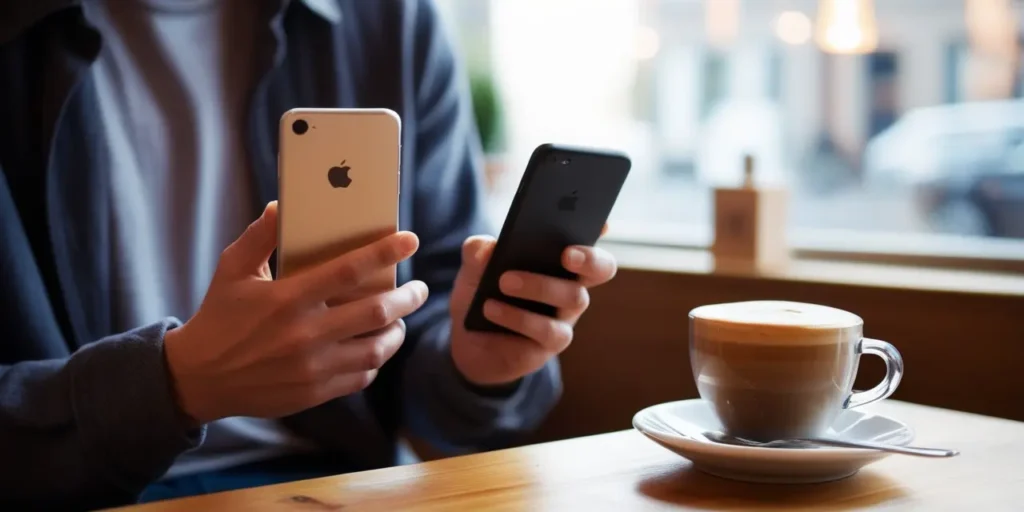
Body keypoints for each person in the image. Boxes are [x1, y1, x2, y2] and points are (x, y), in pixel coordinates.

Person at [0, 0, 619, 508]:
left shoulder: (391, 21)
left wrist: (475, 367)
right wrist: (173, 384)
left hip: (334, 485)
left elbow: (429, 365)